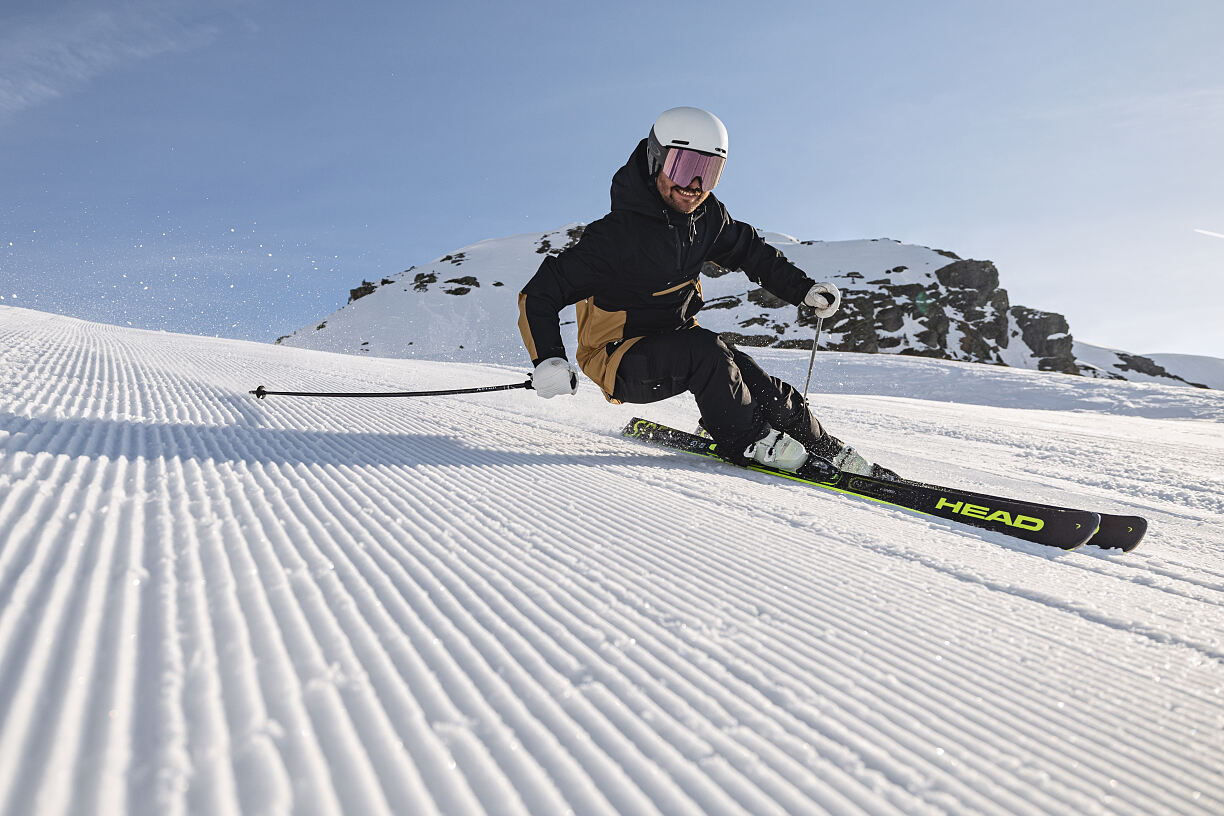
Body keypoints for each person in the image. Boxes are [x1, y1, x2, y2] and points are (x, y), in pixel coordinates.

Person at [517, 106, 893, 478]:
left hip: (677, 341)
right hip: (617, 357)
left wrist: (803, 290)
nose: (694, 186)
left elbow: (751, 252)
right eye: (683, 167)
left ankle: (825, 448)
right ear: (655, 159)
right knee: (708, 355)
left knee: (750, 378)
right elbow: (539, 294)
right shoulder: (616, 236)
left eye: (708, 172)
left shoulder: (707, 217)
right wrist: (548, 359)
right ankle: (748, 440)